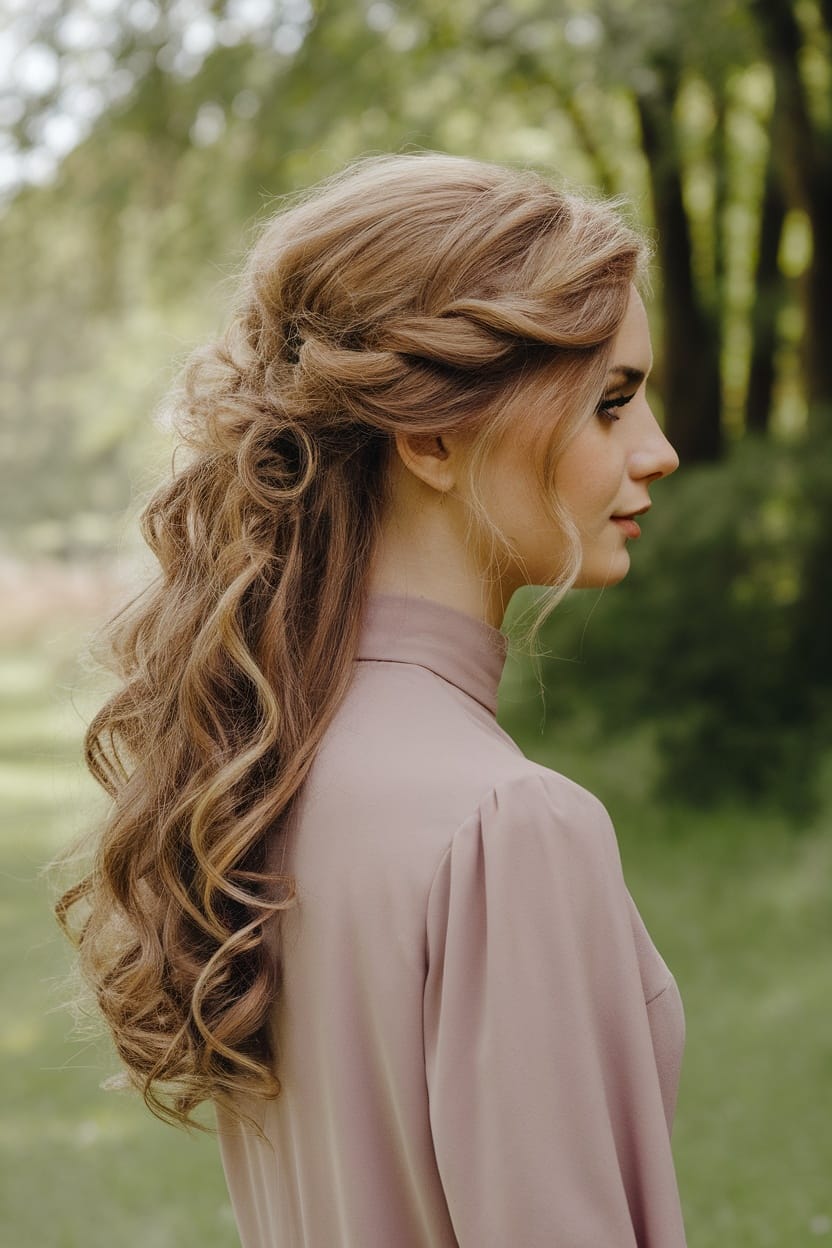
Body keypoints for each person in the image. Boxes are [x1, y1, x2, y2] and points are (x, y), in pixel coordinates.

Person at [55, 153, 686, 1246]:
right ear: (432, 437)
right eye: (609, 403)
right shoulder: (508, 829)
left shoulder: (261, 776)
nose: (659, 449)